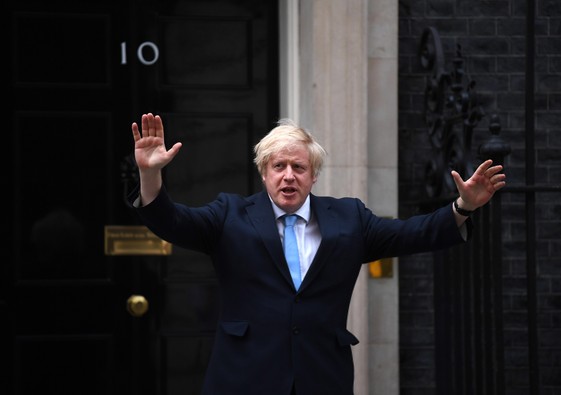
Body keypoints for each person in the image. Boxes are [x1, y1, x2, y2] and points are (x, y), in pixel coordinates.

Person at [129, 113, 506, 395]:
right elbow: (173, 222)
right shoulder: (230, 215)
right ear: (264, 173)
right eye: (278, 166)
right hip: (244, 377)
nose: (288, 176)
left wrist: (462, 207)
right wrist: (150, 176)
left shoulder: (349, 218)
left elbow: (412, 233)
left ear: (314, 176)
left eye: (299, 167)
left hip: (322, 377)